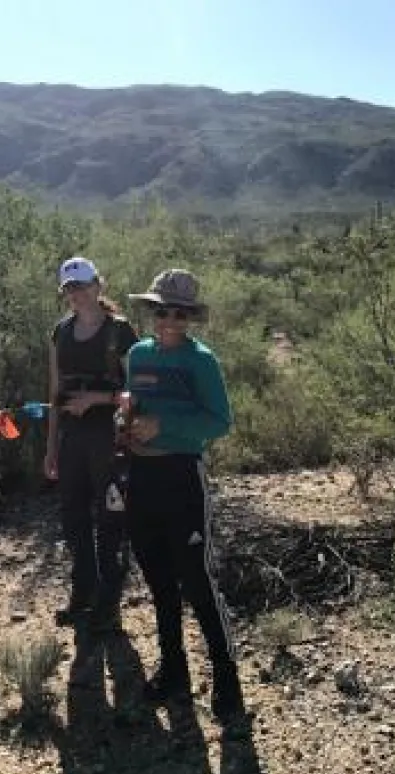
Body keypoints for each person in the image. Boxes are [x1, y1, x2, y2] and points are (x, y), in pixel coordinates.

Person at [122, 268, 245, 723]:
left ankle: (226, 673)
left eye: (177, 313)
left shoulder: (202, 362)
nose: (167, 321)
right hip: (142, 475)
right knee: (157, 581)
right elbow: (136, 405)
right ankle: (174, 668)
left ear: (190, 316)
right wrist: (128, 422)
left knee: (196, 580)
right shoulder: (137, 355)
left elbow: (219, 423)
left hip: (182, 477)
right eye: (159, 311)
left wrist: (165, 427)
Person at [44, 257, 140, 631]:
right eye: (70, 289)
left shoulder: (120, 332)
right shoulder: (61, 332)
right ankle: (82, 594)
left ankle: (109, 601)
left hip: (110, 436)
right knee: (74, 517)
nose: (77, 295)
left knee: (111, 517)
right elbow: (54, 392)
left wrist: (97, 400)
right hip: (72, 438)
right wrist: (51, 447)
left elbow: (137, 390)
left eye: (82, 286)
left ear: (99, 286)